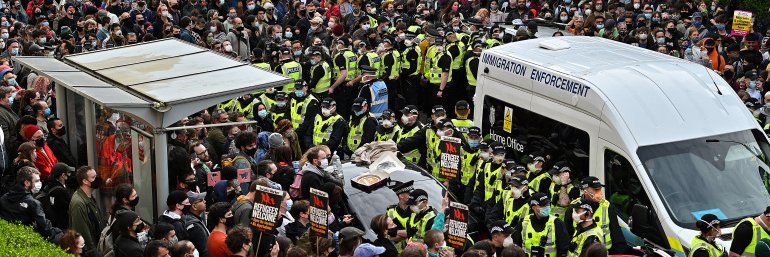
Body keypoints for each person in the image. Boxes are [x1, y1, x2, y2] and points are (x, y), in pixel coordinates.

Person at [563, 176, 624, 253]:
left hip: (603, 252)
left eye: (600, 189)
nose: (599, 192)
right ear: (585, 190)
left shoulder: (606, 206)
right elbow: (566, 235)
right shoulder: (574, 207)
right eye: (596, 190)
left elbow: (616, 234)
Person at [0, 166, 59, 239]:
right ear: (27, 183)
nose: (40, 183)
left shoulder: (4, 197)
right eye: (37, 181)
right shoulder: (34, 203)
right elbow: (46, 229)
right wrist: (57, 231)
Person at [512, 192, 570, 257]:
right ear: (534, 207)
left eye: (548, 204)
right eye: (543, 205)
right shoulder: (523, 222)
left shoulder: (557, 223)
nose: (547, 207)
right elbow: (516, 246)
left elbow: (563, 249)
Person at [69, 166, 104, 255]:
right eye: (93, 177)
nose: (96, 179)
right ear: (85, 181)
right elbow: (83, 232)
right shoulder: (78, 203)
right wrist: (94, 253)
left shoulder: (88, 196)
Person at [43, 162, 74, 230]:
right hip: (61, 227)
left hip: (53, 226)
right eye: (68, 173)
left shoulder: (48, 186)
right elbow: (67, 209)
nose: (70, 175)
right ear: (63, 175)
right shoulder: (60, 191)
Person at [387, 180, 413, 253]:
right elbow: (388, 234)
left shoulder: (416, 211)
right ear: (401, 196)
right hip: (397, 250)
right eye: (408, 193)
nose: (411, 195)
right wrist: (406, 234)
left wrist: (396, 232)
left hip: (413, 249)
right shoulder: (390, 211)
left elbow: (415, 235)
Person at [289, 80, 319, 144]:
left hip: (305, 135)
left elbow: (309, 122)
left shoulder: (312, 102)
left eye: (300, 88)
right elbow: (288, 114)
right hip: (293, 133)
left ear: (306, 88)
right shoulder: (293, 99)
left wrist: (295, 133)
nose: (298, 90)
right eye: (296, 88)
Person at [183, 191, 209, 257]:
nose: (205, 201)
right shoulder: (194, 226)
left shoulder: (195, 219)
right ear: (194, 206)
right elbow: (203, 250)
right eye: (201, 200)